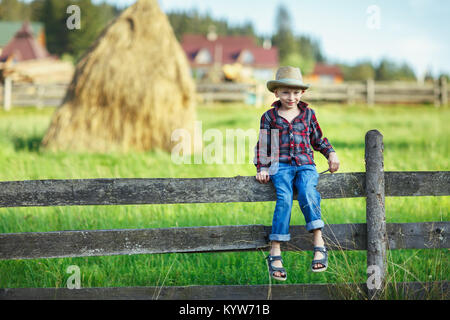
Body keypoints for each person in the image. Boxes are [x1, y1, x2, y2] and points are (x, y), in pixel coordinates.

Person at [254, 66, 340, 280]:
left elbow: (318, 140)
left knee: (307, 191)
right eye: (285, 92)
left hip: (306, 165)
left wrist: (331, 154)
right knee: (283, 197)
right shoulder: (269, 117)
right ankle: (275, 250)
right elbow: (264, 145)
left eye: (295, 92)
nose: (290, 97)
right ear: (276, 93)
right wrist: (262, 167)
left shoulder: (308, 114)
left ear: (302, 93)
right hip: (280, 166)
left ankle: (319, 242)